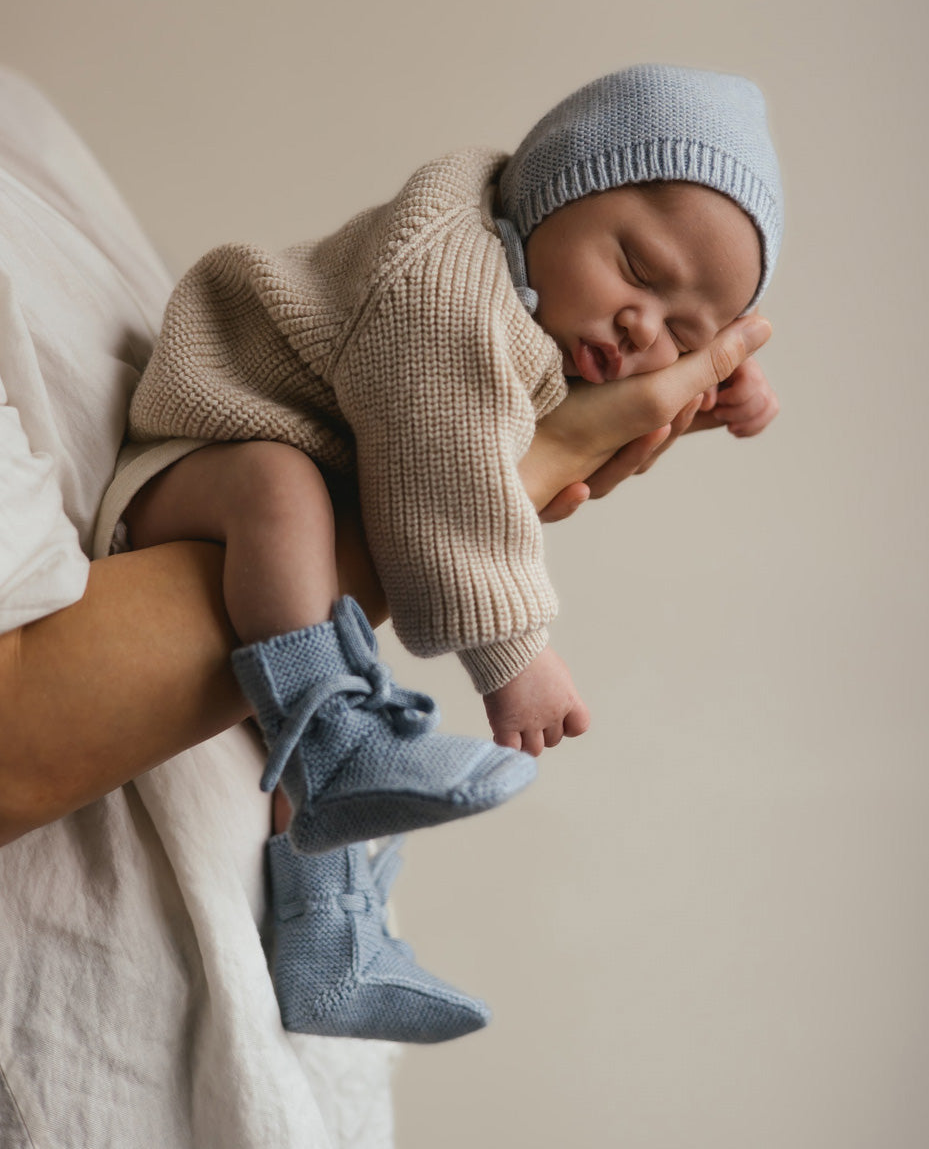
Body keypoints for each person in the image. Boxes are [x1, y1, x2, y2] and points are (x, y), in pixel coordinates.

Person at [101, 64, 782, 1044]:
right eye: (635, 269)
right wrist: (512, 652)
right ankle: (341, 751)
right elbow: (445, 474)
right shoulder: (446, 286)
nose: (642, 328)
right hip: (194, 459)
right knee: (282, 495)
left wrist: (718, 384)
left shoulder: (543, 292)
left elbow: (502, 417)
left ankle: (331, 942)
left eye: (683, 331)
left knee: (322, 657)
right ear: (552, 187)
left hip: (305, 514)